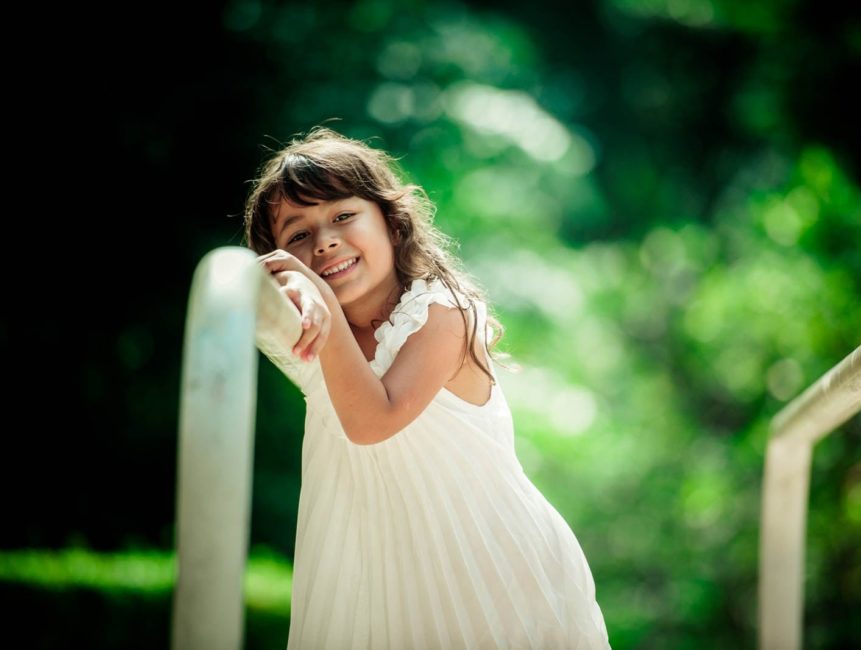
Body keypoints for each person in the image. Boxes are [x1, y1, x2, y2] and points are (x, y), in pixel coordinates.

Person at [243, 126, 610, 649]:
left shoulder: (444, 312)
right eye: (298, 235)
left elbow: (373, 421)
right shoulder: (309, 330)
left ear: (393, 225)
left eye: (344, 216)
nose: (323, 240)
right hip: (378, 591)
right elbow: (246, 293)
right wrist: (289, 287)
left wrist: (317, 293)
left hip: (496, 577)